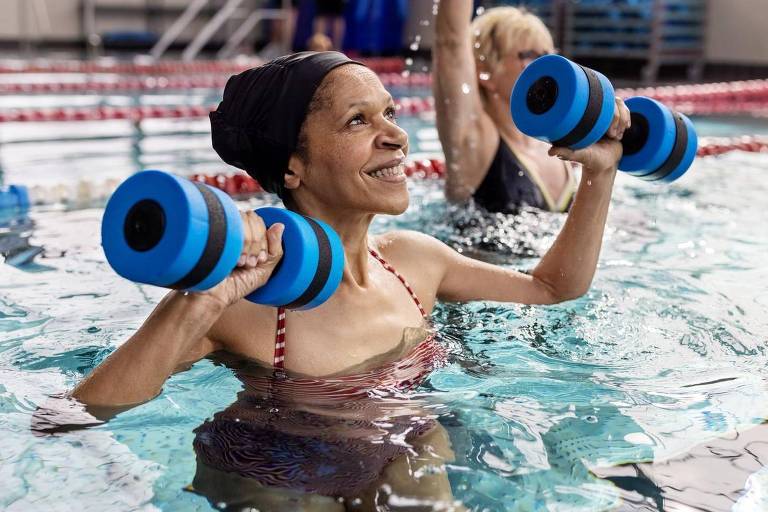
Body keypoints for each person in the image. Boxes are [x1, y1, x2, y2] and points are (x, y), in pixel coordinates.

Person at [67, 51, 629, 509]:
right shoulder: (244, 300)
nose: (394, 137)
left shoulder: (415, 260)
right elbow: (78, 415)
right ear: (294, 166)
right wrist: (203, 298)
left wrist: (600, 173)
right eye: (357, 120)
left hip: (402, 444)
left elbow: (552, 288)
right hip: (270, 465)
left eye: (389, 113)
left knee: (422, 463)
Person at [434, 1, 609, 214]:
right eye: (529, 56)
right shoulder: (475, 141)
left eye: (547, 56)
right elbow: (450, 42)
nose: (545, 67)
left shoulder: (558, 145)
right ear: (485, 71)